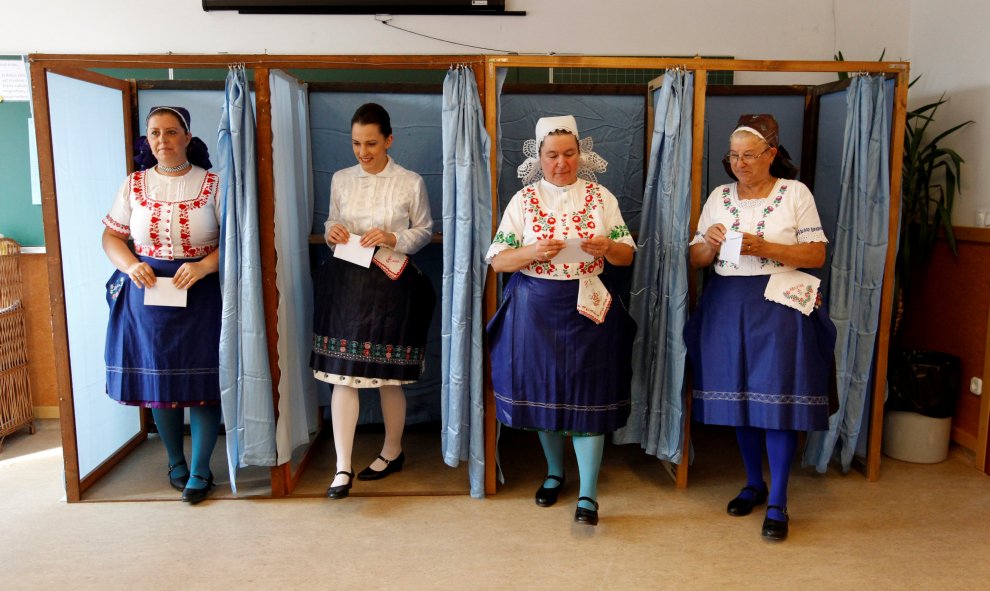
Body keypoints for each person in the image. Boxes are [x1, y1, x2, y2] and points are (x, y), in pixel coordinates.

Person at [683, 114, 836, 541]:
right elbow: (695, 259)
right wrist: (708, 244)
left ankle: (779, 501)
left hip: (779, 304)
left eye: (749, 155)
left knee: (778, 404)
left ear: (771, 154)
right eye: (733, 156)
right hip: (728, 304)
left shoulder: (794, 194)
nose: (740, 164)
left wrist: (763, 246)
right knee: (741, 400)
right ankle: (754, 482)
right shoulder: (718, 196)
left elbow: (816, 255)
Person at [486, 115, 636, 526]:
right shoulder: (523, 201)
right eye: (552, 155)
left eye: (569, 154)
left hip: (589, 305)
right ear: (539, 157)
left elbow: (626, 254)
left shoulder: (601, 197)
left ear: (580, 155)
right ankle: (555, 472)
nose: (561, 162)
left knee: (588, 394)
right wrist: (532, 252)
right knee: (546, 392)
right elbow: (499, 261)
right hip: (536, 307)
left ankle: (588, 492)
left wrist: (607, 246)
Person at [310, 103, 435, 500]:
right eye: (356, 144)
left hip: (391, 284)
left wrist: (393, 238)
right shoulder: (341, 179)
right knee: (341, 374)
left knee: (387, 376)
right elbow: (331, 221)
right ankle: (342, 466)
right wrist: (334, 231)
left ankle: (392, 450)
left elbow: (426, 231)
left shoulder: (410, 181)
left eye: (370, 143)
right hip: (345, 282)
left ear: (389, 140)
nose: (363, 152)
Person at [102, 106, 222, 504]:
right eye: (155, 133)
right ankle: (175, 462)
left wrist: (204, 266)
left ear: (187, 138)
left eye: (171, 132)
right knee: (160, 382)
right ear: (147, 139)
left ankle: (202, 469)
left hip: (201, 293)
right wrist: (132, 264)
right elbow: (111, 238)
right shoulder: (134, 185)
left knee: (204, 383)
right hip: (148, 294)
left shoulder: (214, 184)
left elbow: (238, 241)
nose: (162, 141)